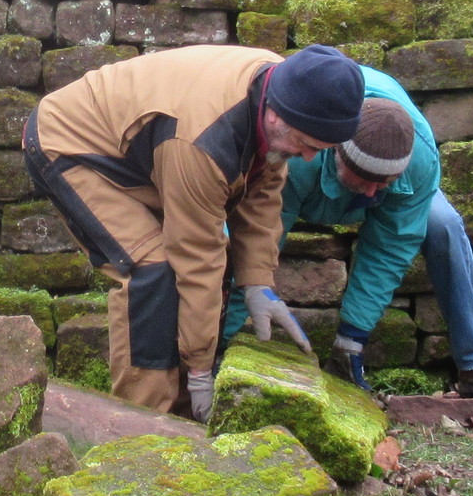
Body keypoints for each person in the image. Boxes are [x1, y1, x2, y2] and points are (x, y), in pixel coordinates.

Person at [25, 43, 365, 417]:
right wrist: (202, 371)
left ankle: (184, 410)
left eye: (321, 149)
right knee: (152, 271)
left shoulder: (284, 87)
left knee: (202, 270)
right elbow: (197, 260)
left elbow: (262, 192)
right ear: (275, 115)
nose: (310, 157)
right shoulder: (203, 142)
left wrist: (257, 282)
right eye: (306, 144)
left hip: (140, 150)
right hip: (70, 143)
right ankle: (142, 424)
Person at [223, 70, 473, 398]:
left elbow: (389, 249)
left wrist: (350, 342)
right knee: (232, 240)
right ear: (336, 152)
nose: (372, 193)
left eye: (382, 183)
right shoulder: (300, 151)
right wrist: (224, 342)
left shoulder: (420, 161)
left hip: (398, 173)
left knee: (444, 225)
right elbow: (257, 239)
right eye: (363, 180)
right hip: (305, 175)